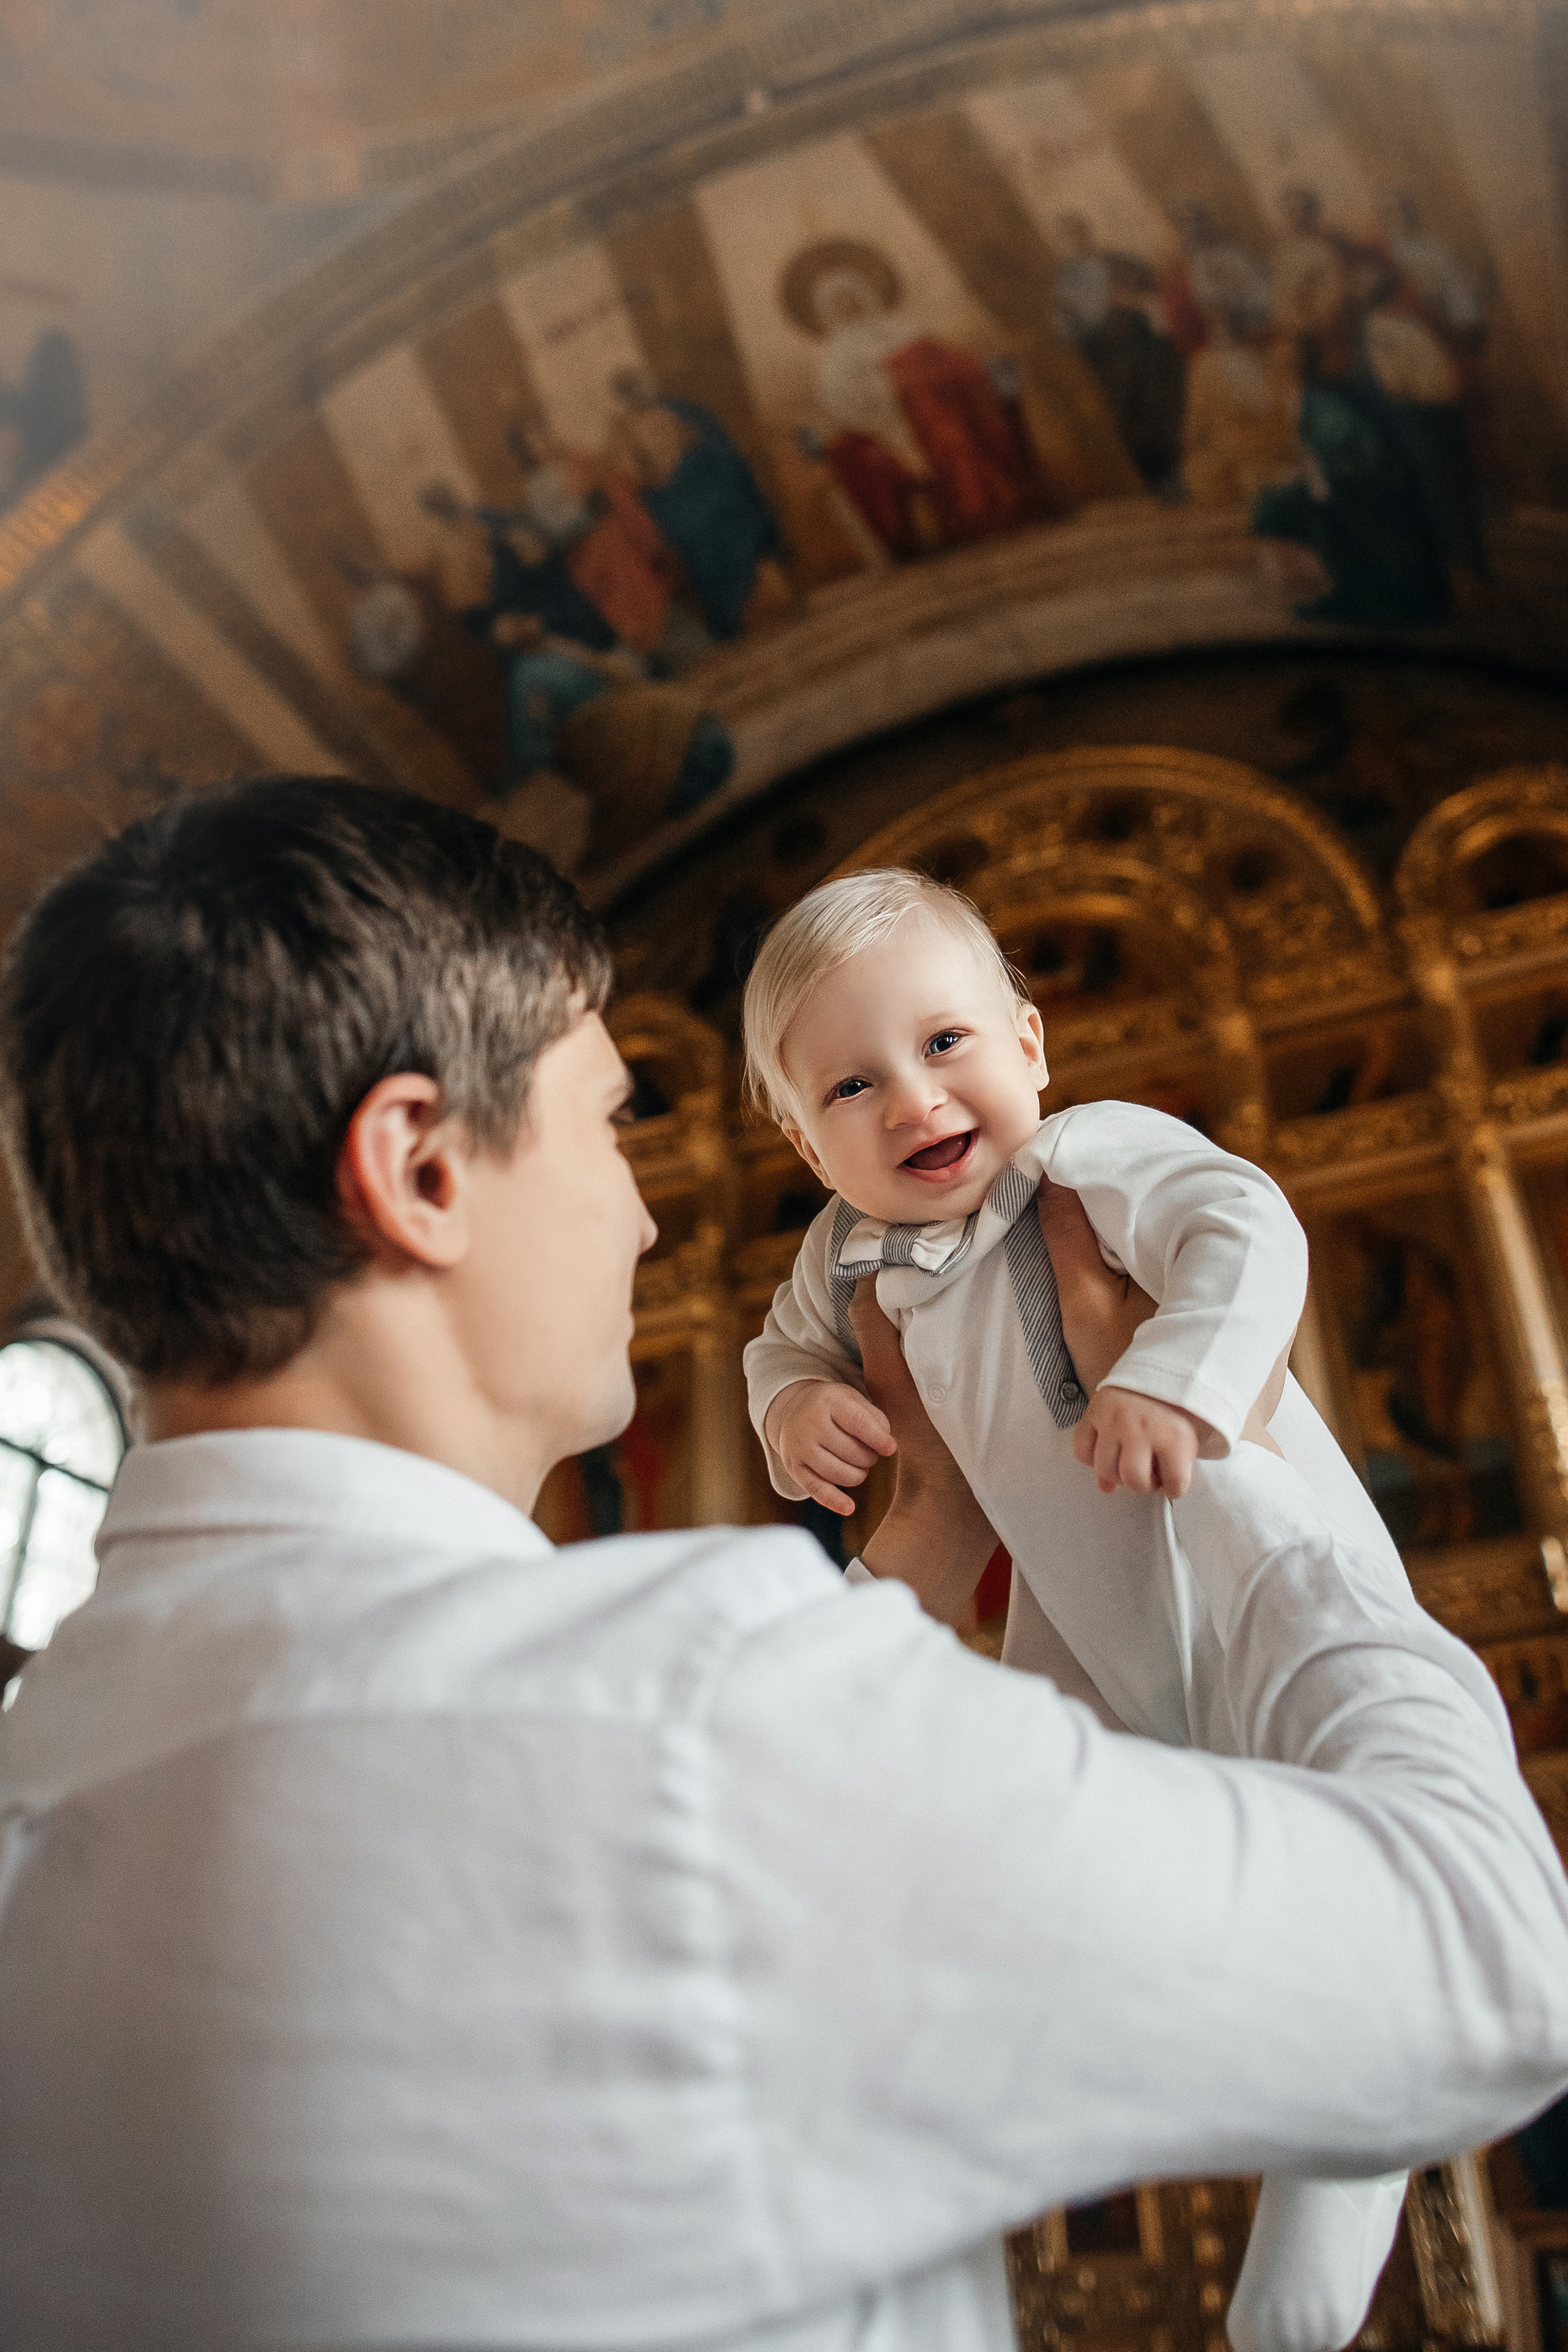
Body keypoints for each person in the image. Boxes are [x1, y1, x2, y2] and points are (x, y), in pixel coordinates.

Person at [2, 780, 1567, 2351]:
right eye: (610, 1121)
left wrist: (922, 1542)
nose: (639, 1220)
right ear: (421, 1170)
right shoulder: (702, 1721)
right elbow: (1490, 1961)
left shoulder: (38, 1777)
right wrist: (1236, 1480)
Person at [740, 866, 1457, 2351]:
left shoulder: (1083, 1159)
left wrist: (1172, 1376)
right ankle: (1270, 2094)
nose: (912, 1101)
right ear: (799, 1137)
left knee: (1337, 1824)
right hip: (1070, 1612)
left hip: (1231, 1544)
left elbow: (1243, 1227)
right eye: (851, 1085)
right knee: (1106, 1862)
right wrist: (796, 1405)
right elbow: (777, 1353)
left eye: (945, 1046)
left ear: (1030, 1042)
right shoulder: (838, 1257)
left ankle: (1351, 2160)